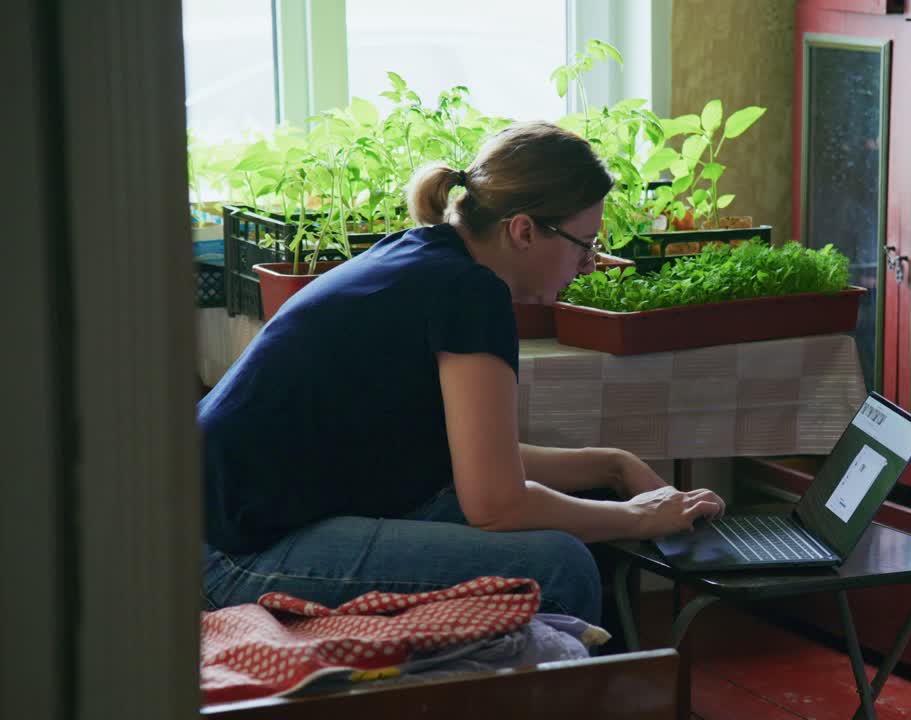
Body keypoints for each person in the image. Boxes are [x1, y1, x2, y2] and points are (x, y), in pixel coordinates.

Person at [199, 122, 725, 626]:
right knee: (559, 565)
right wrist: (641, 517)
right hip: (239, 549)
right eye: (585, 244)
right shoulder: (471, 293)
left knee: (592, 505)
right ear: (523, 231)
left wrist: (614, 466)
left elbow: (479, 463)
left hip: (222, 517)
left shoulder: (425, 255)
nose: (590, 264)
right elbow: (496, 503)